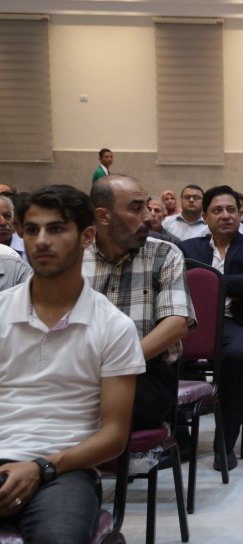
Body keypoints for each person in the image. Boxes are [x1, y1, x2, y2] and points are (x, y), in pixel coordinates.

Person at [0, 185, 144, 543]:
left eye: (56, 229)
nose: (41, 241)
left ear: (87, 237)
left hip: (64, 471)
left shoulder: (114, 326)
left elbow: (114, 436)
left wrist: (42, 467)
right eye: (32, 230)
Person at [86, 175, 195, 431]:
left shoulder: (164, 253)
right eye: (136, 208)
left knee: (94, 407)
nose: (148, 217)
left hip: (144, 372)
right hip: (80, 369)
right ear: (103, 216)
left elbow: (176, 323)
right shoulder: (75, 257)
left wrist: (115, 364)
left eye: (147, 206)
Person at [178, 186, 243, 471]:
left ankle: (225, 444)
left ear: (240, 213)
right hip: (194, 324)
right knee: (157, 354)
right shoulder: (188, 249)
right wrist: (235, 281)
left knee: (238, 356)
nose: (225, 216)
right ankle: (180, 440)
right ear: (205, 216)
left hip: (237, 323)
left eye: (231, 209)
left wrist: (205, 281)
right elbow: (179, 285)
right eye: (217, 210)